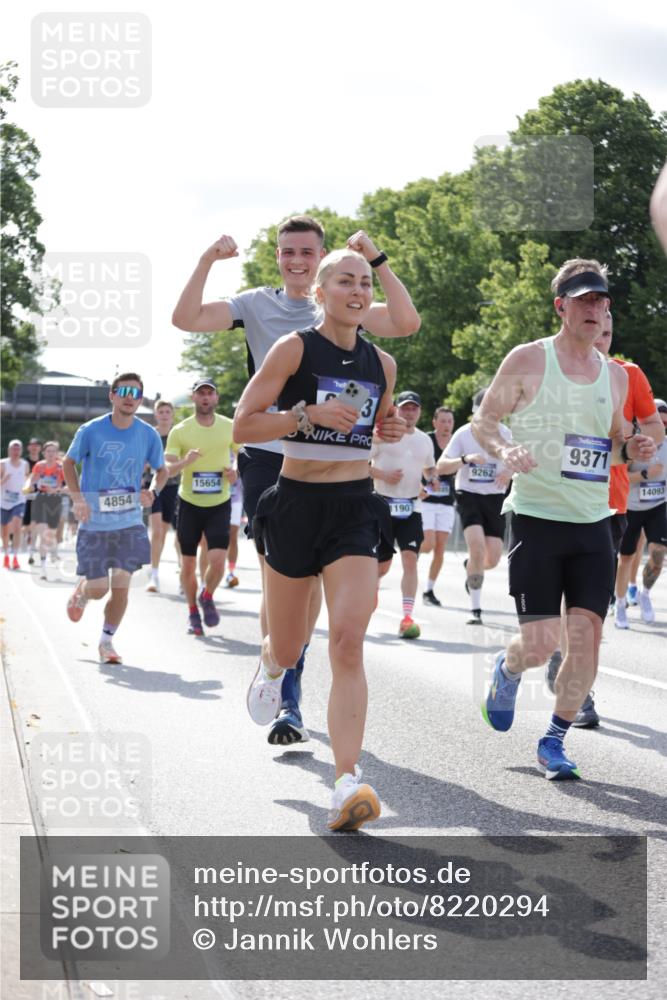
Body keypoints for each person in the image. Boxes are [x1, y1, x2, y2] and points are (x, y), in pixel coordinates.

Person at [173, 218, 420, 745]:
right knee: (289, 587)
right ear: (279, 258)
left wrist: (374, 259)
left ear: (323, 257)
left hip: (346, 475)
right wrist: (207, 260)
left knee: (338, 622)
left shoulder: (346, 296)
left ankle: (302, 715)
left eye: (307, 251)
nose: (296, 259)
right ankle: (282, 675)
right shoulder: (258, 306)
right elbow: (186, 318)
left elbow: (404, 322)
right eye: (288, 251)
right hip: (272, 454)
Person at [233, 248, 410, 831]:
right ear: (322, 291)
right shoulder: (294, 349)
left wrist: (386, 427)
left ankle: (346, 782)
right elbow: (244, 425)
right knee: (288, 647)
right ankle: (271, 664)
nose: (359, 290)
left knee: (349, 641)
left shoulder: (381, 362)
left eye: (365, 282)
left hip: (354, 508)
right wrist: (303, 414)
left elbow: (377, 425)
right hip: (295, 506)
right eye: (346, 281)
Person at [472, 259, 656, 781]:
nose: (595, 309)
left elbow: (616, 446)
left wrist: (633, 446)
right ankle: (507, 669)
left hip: (594, 521)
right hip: (534, 516)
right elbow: (485, 421)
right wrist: (505, 449)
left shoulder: (616, 376)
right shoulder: (529, 360)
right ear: (561, 307)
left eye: (601, 301)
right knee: (540, 645)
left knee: (587, 636)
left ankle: (553, 740)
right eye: (584, 300)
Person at [546, 311, 664, 724]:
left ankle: (577, 685)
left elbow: (652, 426)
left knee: (589, 607)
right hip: (560, 501)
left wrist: (639, 444)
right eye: (597, 330)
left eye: (609, 332)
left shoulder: (626, 375)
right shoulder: (554, 369)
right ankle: (569, 671)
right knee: (570, 601)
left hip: (611, 503)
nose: (600, 339)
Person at [63, 373, 167, 664]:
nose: (129, 396)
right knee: (99, 589)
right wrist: (78, 499)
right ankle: (83, 592)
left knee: (121, 587)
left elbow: (162, 471)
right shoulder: (91, 430)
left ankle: (106, 642)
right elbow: (68, 463)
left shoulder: (148, 434)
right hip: (94, 522)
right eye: (123, 391)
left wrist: (153, 491)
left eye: (135, 392)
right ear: (111, 395)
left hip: (130, 522)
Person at [164, 379, 238, 636]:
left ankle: (207, 596)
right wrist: (187, 460)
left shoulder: (230, 426)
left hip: (219, 502)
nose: (205, 397)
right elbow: (168, 467)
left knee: (217, 563)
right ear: (193, 398)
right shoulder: (181, 431)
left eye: (210, 393)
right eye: (201, 393)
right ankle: (192, 612)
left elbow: (242, 454)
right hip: (189, 504)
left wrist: (236, 471)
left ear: (216, 398)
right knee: (187, 565)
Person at [436, 389, 512, 625]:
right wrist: (465, 460)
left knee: (491, 559)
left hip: (495, 499)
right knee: (477, 549)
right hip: (468, 495)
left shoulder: (505, 433)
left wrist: (509, 472)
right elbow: (441, 467)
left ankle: (471, 568)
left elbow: (518, 461)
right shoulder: (463, 434)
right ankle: (476, 609)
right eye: (483, 413)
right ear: (475, 413)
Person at [371, 390, 438, 638]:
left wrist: (432, 483)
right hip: (382, 504)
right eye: (405, 408)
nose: (410, 412)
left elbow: (431, 468)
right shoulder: (384, 435)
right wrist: (383, 475)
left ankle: (407, 616)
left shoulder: (424, 440)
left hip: (411, 507)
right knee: (382, 565)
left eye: (414, 408)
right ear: (397, 409)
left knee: (411, 559)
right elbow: (361, 465)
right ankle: (371, 591)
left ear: (419, 412)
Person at [615, 398, 667, 625]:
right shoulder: (634, 444)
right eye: (658, 421)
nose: (662, 426)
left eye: (666, 422)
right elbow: (620, 476)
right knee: (626, 557)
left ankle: (645, 594)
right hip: (631, 507)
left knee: (658, 554)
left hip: (658, 506)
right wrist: (647, 475)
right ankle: (619, 604)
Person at [420, 406, 457, 606]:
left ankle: (429, 590)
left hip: (447, 502)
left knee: (440, 548)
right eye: (442, 421)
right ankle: (413, 550)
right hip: (426, 501)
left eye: (450, 421)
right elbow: (416, 463)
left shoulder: (455, 444)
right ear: (434, 422)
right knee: (428, 544)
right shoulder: (427, 441)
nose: (446, 425)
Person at [145, 399, 181, 593]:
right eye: (161, 412)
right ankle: (154, 575)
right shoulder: (150, 434)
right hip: (154, 486)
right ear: (156, 414)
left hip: (175, 487)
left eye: (168, 412)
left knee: (172, 533)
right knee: (157, 531)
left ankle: (183, 569)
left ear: (172, 414)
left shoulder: (178, 434)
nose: (165, 415)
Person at [25, 441, 65, 580]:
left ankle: (51, 552)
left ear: (56, 453)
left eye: (53, 451)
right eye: (48, 451)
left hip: (55, 501)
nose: (50, 453)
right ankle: (43, 568)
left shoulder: (61, 468)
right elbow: (33, 480)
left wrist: (57, 489)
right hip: (41, 499)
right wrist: (29, 486)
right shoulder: (39, 466)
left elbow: (68, 487)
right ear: (44, 453)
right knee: (43, 533)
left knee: (50, 535)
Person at [1, 440, 29, 569]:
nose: (16, 452)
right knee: (5, 531)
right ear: (9, 450)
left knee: (17, 526)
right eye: (13, 449)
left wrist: (28, 487)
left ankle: (15, 557)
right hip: (4, 501)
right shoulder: (3, 464)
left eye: (18, 449)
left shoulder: (25, 465)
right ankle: (6, 555)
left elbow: (28, 481)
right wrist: (3, 480)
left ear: (21, 451)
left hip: (19, 500)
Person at [23, 437, 43, 562]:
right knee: (26, 524)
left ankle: (31, 547)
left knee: (36, 523)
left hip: (40, 496)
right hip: (24, 496)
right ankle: (25, 542)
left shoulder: (43, 462)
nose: (34, 447)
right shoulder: (24, 462)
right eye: (32, 445)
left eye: (37, 445)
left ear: (40, 448)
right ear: (28, 447)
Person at [226, 473, 243, 587]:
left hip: (235, 499)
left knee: (232, 538)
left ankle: (231, 572)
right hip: (214, 499)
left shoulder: (239, 454)